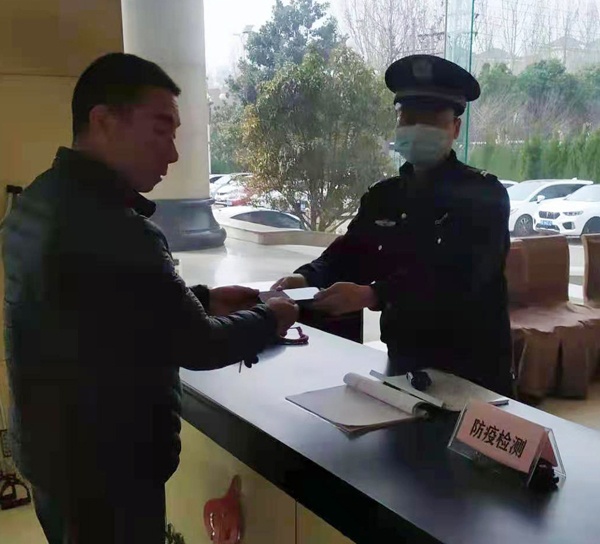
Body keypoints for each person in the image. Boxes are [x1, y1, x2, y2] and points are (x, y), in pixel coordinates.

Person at [3, 53, 298, 544]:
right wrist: (273, 316)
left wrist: (204, 297)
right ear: (103, 121)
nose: (174, 154)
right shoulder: (116, 228)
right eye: (161, 130)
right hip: (108, 475)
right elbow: (199, 345)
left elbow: (98, 306)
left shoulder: (37, 201)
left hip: (51, 457)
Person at [273, 55, 512, 395]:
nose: (417, 128)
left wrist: (374, 293)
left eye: (431, 119)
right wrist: (306, 278)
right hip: (404, 362)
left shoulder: (484, 195)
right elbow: (349, 254)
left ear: (455, 128)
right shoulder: (384, 196)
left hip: (473, 369)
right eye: (408, 118)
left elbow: (462, 277)